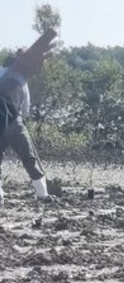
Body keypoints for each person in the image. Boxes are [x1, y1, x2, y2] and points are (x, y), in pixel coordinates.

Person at [0, 32, 56, 206]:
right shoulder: (21, 81)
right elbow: (25, 110)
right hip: (14, 123)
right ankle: (42, 195)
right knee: (29, 158)